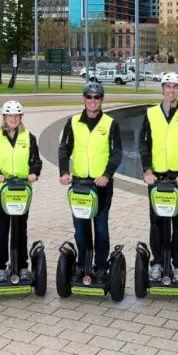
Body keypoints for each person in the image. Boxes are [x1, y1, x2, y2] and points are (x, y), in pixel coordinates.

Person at [138, 72, 178, 283]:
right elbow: (143, 144)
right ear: (162, 89)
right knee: (156, 223)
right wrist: (147, 171)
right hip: (156, 178)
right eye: (168, 86)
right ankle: (157, 262)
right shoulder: (151, 114)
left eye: (175, 87)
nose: (171, 90)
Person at [57, 82, 123, 284]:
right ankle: (82, 264)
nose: (92, 101)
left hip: (101, 184)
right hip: (79, 184)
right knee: (80, 228)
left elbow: (116, 153)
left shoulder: (110, 124)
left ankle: (101, 267)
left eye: (96, 97)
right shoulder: (74, 121)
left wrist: (107, 175)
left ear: (102, 100)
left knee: (101, 227)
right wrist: (64, 172)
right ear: (83, 98)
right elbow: (64, 148)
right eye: (89, 97)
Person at [0, 100, 42, 283]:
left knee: (20, 228)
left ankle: (22, 266)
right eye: (10, 115)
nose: (13, 119)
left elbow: (36, 160)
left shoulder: (29, 137)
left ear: (21, 117)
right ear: (4, 117)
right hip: (0, 190)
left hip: (22, 190)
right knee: (2, 229)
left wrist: (34, 173)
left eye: (16, 115)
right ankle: (0, 266)